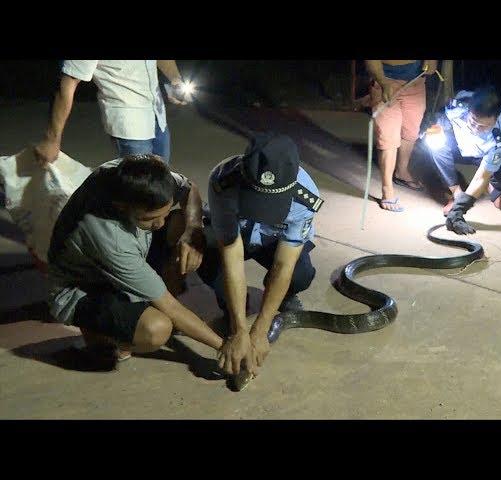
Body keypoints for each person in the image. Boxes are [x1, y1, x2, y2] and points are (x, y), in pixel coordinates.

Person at [47, 154, 226, 366]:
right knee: (157, 329)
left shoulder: (134, 172)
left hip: (129, 253)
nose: (159, 224)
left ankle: (143, 302)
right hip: (83, 288)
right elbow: (169, 306)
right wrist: (224, 346)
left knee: (181, 222)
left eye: (163, 212)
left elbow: (189, 189)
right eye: (148, 218)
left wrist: (193, 229)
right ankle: (100, 336)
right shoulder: (107, 235)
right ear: (121, 206)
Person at [197, 133, 322, 377]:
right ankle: (232, 311)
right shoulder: (223, 181)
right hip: (236, 236)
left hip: (272, 243)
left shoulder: (305, 198)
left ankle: (284, 299)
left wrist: (260, 329)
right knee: (206, 255)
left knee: (299, 274)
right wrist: (240, 330)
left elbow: (283, 266)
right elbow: (232, 256)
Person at [35, 60, 190, 166]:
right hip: (129, 124)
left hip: (157, 113)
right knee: (139, 191)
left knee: (162, 183)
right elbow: (68, 83)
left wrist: (175, 80)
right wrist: (52, 139)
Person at [424, 86, 501, 235]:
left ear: (495, 119)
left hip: (485, 153)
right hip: (461, 146)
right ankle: (456, 193)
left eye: (483, 126)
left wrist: (459, 210)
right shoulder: (458, 106)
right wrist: (433, 124)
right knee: (435, 143)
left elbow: (481, 177)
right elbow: (439, 120)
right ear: (469, 111)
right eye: (473, 122)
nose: (476, 128)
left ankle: (495, 187)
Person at [365, 59, 438, 212]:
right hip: (385, 82)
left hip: (416, 81)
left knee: (411, 130)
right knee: (388, 136)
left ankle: (402, 172)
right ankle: (387, 189)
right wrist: (383, 83)